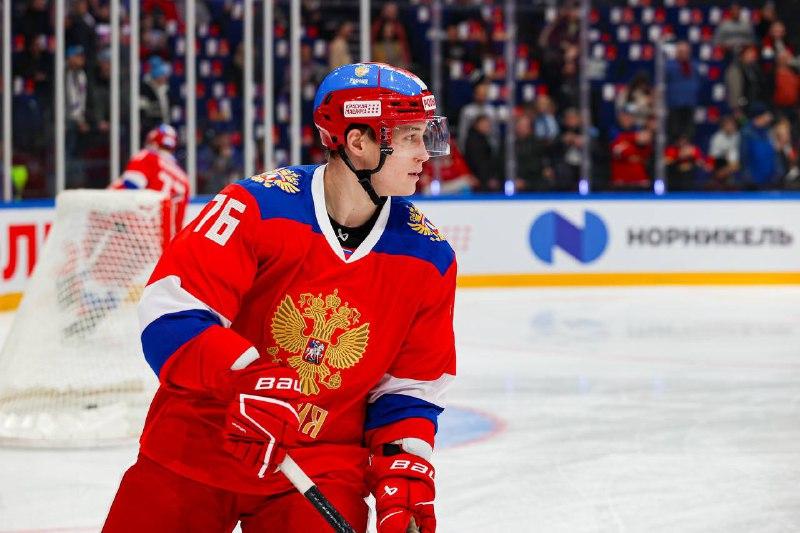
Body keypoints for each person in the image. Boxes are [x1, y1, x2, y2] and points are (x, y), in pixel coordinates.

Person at [103, 63, 457, 533]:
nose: (425, 153)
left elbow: (407, 390)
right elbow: (171, 314)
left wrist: (402, 475)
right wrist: (245, 380)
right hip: (201, 438)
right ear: (358, 141)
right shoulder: (255, 207)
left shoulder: (430, 257)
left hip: (317, 465)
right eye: (410, 136)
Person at [109, 124, 190, 234]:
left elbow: (129, 187)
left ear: (153, 142)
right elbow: (179, 220)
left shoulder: (147, 157)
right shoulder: (184, 179)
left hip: (140, 230)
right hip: (167, 237)